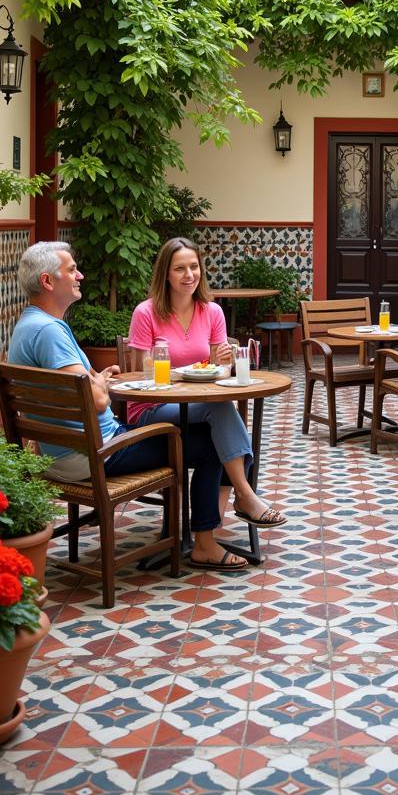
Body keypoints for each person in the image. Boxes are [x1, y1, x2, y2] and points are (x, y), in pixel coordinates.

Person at [7, 240, 239, 571]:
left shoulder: (32, 325)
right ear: (47, 281)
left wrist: (95, 379)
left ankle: (205, 533)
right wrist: (98, 384)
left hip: (69, 449)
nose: (80, 275)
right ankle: (204, 543)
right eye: (72, 270)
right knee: (211, 442)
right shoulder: (49, 332)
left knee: (207, 433)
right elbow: (97, 399)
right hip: (93, 453)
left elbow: (83, 388)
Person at [126, 237, 286, 569]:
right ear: (165, 274)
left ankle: (205, 539)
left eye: (194, 267)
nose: (189, 275)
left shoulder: (211, 311)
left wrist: (221, 359)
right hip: (151, 409)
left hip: (196, 407)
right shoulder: (146, 313)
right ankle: (244, 495)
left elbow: (215, 371)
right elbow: (141, 374)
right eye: (180, 268)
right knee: (221, 410)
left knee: (220, 422)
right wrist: (170, 368)